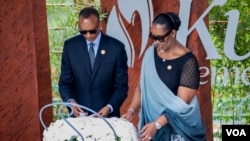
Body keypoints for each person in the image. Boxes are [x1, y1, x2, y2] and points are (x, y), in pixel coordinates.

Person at [121, 12, 206, 141]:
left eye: (160, 38)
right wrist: (131, 111)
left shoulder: (188, 62)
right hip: (152, 129)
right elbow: (141, 87)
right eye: (153, 37)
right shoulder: (150, 53)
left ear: (172, 33)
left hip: (179, 130)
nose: (156, 42)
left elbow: (182, 103)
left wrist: (157, 123)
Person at [59, 6, 128, 118]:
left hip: (107, 118)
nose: (88, 35)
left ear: (99, 24)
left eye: (92, 31)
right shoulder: (70, 47)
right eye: (83, 32)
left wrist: (109, 107)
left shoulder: (116, 48)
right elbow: (65, 83)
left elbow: (121, 87)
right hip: (79, 117)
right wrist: (71, 102)